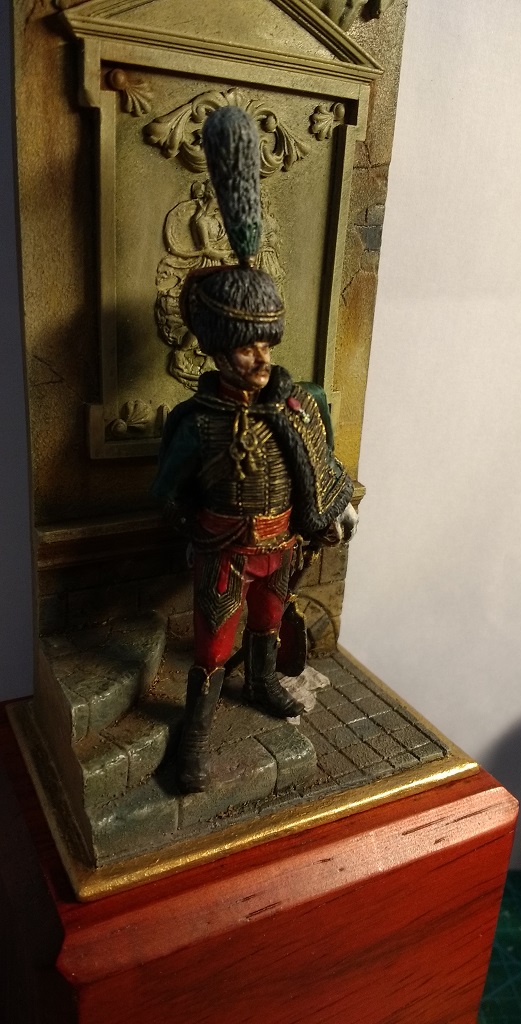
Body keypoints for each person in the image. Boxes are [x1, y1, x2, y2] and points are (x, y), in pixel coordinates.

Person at [153, 106, 357, 792]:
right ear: (216, 347)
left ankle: (263, 681)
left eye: (268, 343)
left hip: (283, 542)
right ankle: (196, 732)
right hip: (223, 548)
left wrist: (330, 509)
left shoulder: (299, 406)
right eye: (247, 347)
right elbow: (167, 490)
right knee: (214, 641)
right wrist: (196, 531)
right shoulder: (197, 422)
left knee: (269, 620)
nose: (262, 358)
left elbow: (319, 467)